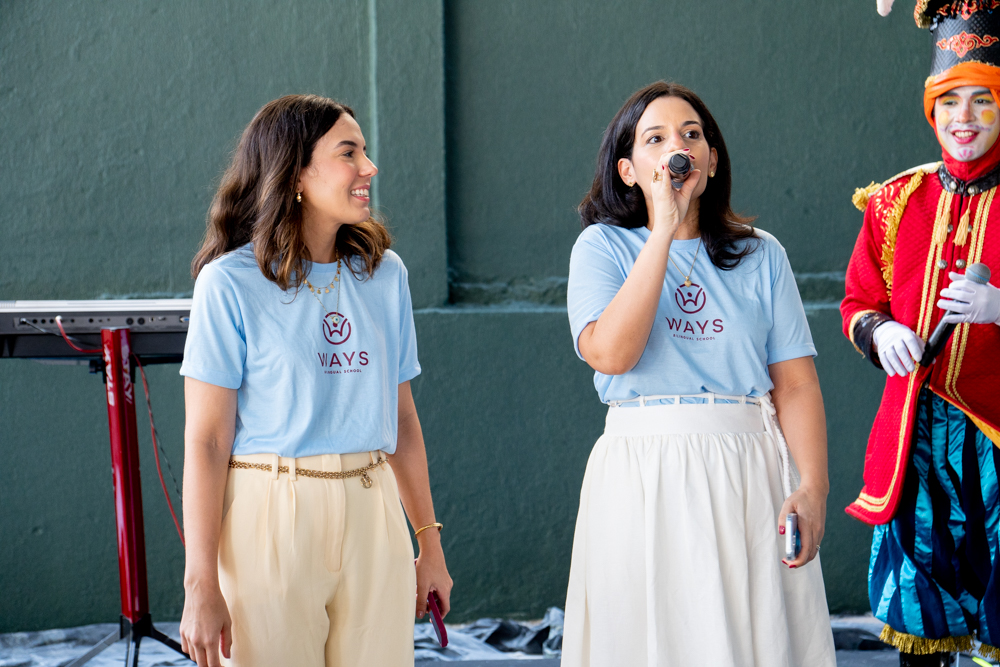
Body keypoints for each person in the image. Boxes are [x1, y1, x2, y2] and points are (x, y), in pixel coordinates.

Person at [562, 81, 837, 667]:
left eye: (691, 134)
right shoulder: (601, 248)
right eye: (655, 138)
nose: (677, 148)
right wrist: (664, 230)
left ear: (710, 159)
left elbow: (795, 382)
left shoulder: (762, 254)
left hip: (748, 469)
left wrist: (812, 489)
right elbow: (612, 355)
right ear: (629, 170)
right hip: (642, 470)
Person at [176, 94, 452, 667]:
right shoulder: (228, 285)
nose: (368, 169)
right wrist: (200, 582)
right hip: (269, 515)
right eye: (349, 153)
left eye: (366, 152)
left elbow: (401, 419)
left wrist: (429, 544)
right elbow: (205, 442)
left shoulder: (385, 274)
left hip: (374, 513)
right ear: (296, 171)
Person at [842, 3, 1000, 665]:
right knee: (919, 594)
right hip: (917, 434)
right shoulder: (896, 199)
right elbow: (858, 301)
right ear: (931, 110)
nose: (963, 119)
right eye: (949, 102)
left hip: (994, 434)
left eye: (982, 101)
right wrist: (880, 335)